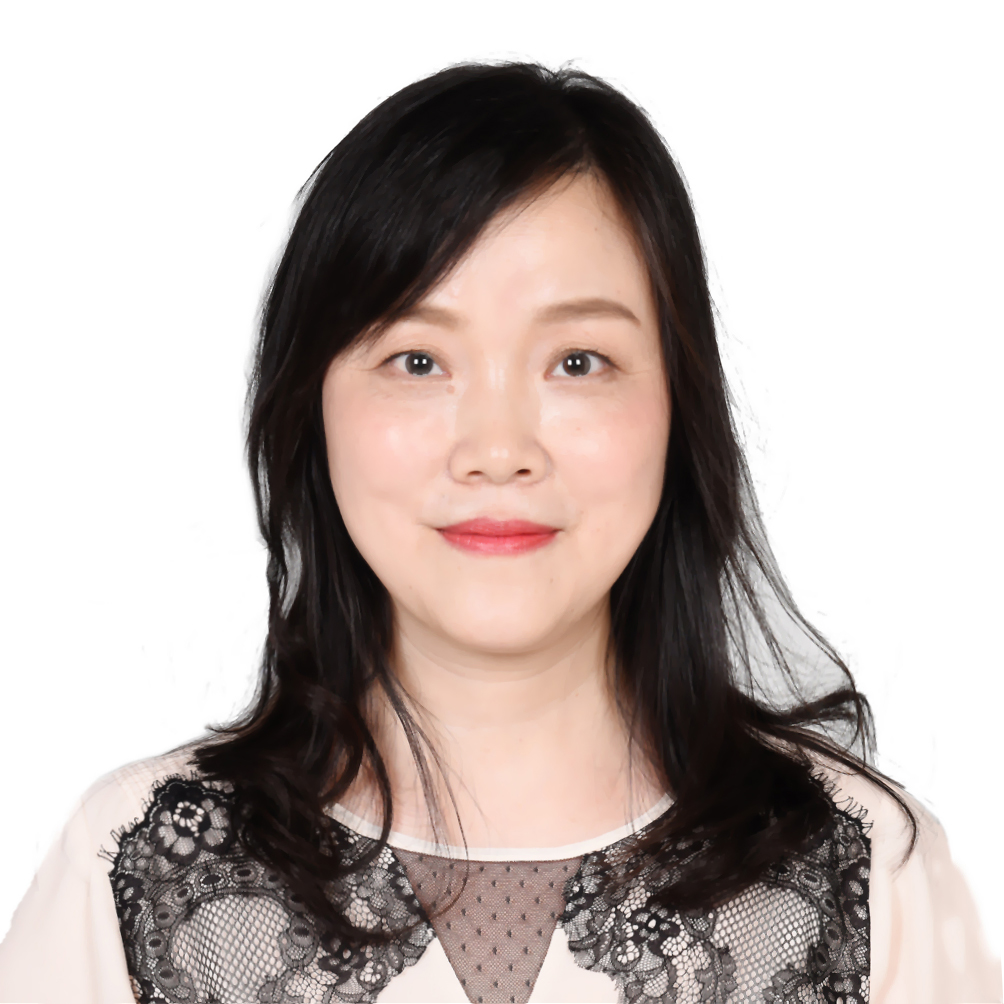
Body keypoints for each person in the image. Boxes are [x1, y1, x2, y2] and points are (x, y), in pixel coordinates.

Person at [0, 61, 998, 1004]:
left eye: (577, 362)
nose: (497, 449)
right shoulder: (129, 867)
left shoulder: (869, 871)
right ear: (311, 409)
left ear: (677, 406)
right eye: (417, 361)